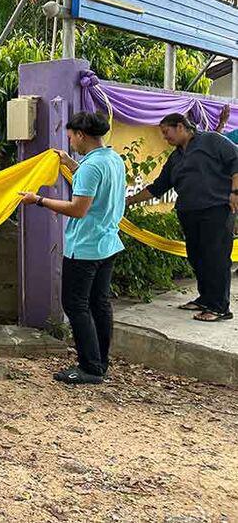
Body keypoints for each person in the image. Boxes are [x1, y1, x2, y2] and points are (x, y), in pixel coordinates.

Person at [19, 111, 126, 385]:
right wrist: (69, 163)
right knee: (99, 304)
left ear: (81, 135)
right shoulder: (112, 159)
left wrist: (39, 200)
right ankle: (99, 362)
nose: (71, 143)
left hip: (85, 247)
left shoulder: (92, 166)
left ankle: (89, 367)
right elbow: (92, 184)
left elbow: (78, 209)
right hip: (107, 243)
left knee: (76, 305)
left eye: (71, 138)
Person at [127, 113, 238, 322]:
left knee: (216, 257)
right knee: (197, 256)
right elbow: (158, 187)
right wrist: (128, 201)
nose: (165, 138)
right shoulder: (176, 157)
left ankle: (219, 307)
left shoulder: (211, 140)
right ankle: (205, 299)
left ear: (180, 126)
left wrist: (235, 191)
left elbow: (236, 160)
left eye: (166, 132)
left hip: (216, 209)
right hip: (189, 212)